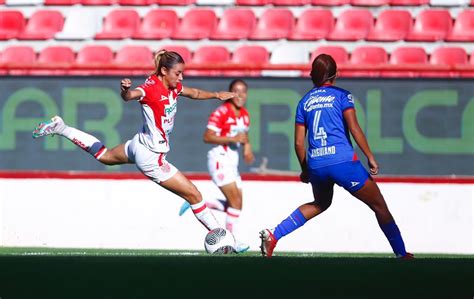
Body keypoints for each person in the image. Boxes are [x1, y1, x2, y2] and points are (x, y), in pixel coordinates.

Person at [32, 50, 238, 235]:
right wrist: (124, 91)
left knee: (105, 156)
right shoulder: (150, 88)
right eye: (178, 73)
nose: (181, 77)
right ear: (164, 71)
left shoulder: (173, 86)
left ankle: (62, 128)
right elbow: (131, 95)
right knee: (194, 194)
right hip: (151, 156)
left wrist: (216, 95)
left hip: (139, 143)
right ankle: (226, 239)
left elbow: (194, 93)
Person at [259, 54, 413, 259]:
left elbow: (298, 143)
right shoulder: (342, 96)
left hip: (317, 164)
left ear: (312, 75)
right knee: (379, 206)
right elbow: (354, 128)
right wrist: (370, 156)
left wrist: (306, 169)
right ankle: (402, 254)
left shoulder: (304, 102)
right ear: (336, 75)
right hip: (343, 163)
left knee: (320, 203)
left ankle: (274, 235)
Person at [178, 79, 254, 253]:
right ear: (230, 93)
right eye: (236, 91)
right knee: (235, 202)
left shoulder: (244, 114)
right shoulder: (221, 112)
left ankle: (200, 203)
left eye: (243, 91)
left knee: (237, 204)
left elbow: (244, 135)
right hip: (219, 159)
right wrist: (233, 139)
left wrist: (247, 147)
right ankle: (232, 241)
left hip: (232, 162)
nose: (240, 95)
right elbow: (207, 136)